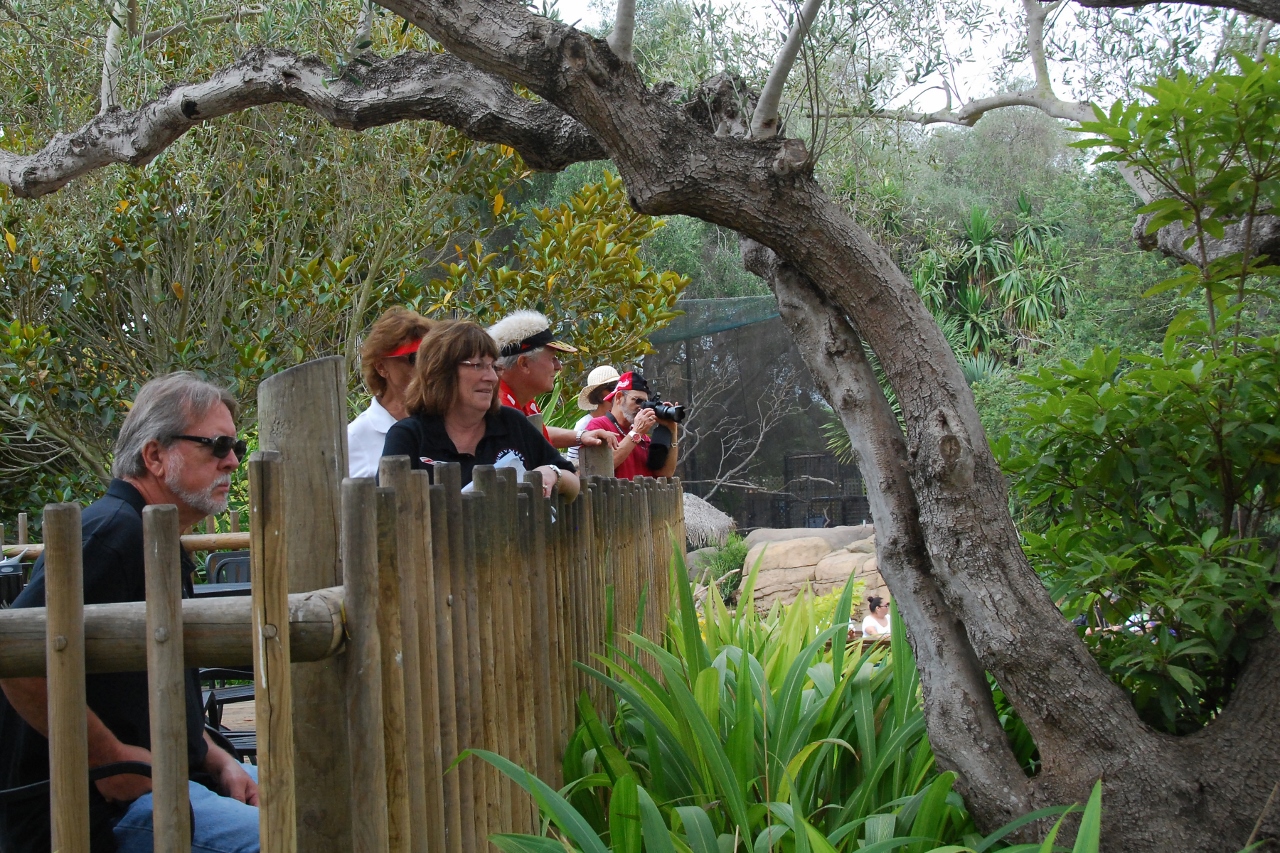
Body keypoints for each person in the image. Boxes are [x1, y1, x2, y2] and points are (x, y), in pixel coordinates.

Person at [0, 373, 260, 853]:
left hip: (170, 777)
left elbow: (142, 697)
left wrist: (215, 756)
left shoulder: (152, 534)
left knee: (322, 798)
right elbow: (15, 662)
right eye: (217, 445)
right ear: (155, 456)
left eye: (236, 446)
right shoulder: (112, 535)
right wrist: (109, 759)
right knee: (295, 833)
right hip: (94, 811)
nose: (232, 460)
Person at [381, 321, 581, 499]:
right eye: (477, 365)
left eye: (493, 367)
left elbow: (573, 481)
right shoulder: (409, 436)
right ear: (441, 370)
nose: (492, 378)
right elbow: (386, 512)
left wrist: (554, 473)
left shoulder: (511, 423)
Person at [486, 310, 615, 453]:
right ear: (524, 364)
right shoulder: (495, 406)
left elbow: (536, 433)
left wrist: (580, 435)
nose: (558, 366)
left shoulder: (516, 399)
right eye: (552, 358)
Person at [348, 307, 434, 478]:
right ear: (381, 367)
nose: (424, 368)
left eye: (430, 357)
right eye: (413, 358)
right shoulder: (356, 437)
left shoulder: (445, 422)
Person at [585, 371, 680, 480]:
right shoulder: (598, 425)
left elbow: (665, 473)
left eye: (645, 403)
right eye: (637, 401)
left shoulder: (643, 437)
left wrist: (672, 430)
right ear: (619, 398)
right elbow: (601, 468)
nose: (641, 407)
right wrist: (636, 433)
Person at [566, 365, 620, 465]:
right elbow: (573, 462)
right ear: (598, 393)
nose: (617, 392)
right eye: (612, 388)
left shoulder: (624, 422)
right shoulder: (584, 424)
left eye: (620, 388)